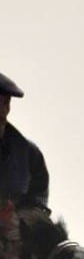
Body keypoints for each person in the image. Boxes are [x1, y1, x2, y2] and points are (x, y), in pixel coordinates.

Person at [0, 71, 49, 212]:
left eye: (4, 102)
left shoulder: (29, 155)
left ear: (6, 106)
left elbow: (38, 205)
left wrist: (17, 221)